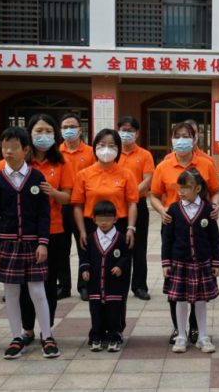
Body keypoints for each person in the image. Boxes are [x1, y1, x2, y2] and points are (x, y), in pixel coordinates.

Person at [0, 115, 74, 344]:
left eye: (48, 131)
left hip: (53, 231)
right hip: (21, 234)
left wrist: (52, 192)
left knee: (47, 283)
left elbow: (68, 198)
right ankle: (27, 329)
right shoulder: (9, 163)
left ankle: (46, 330)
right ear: (29, 135)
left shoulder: (61, 163)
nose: (43, 136)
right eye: (39, 131)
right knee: (21, 284)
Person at [0, 127, 59, 360]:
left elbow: (44, 214)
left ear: (25, 150)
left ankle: (47, 336)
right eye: (4, 146)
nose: (8, 151)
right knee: (11, 292)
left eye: (13, 147)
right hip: (6, 245)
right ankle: (17, 337)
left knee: (38, 290)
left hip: (33, 244)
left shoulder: (37, 177)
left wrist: (43, 243)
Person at [150, 122, 219, 344]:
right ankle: (178, 328)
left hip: (200, 224)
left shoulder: (206, 163)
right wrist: (163, 211)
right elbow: (154, 195)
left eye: (186, 135)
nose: (181, 140)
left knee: (198, 287)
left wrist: (215, 206)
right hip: (174, 225)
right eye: (177, 136)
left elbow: (215, 191)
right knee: (176, 282)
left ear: (195, 138)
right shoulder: (164, 165)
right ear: (171, 139)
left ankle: (195, 329)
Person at [70, 128, 140, 338]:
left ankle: (116, 328)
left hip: (119, 228)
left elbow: (132, 203)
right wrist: (82, 231)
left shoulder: (126, 174)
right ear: (94, 147)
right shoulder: (84, 174)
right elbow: (77, 205)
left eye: (111, 145)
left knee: (119, 278)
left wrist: (130, 228)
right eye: (101, 145)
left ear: (118, 149)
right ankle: (98, 328)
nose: (106, 149)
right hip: (92, 228)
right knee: (94, 279)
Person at [162, 169, 219, 353]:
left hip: (202, 263)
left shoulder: (208, 209)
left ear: (198, 188)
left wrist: (216, 262)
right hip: (179, 262)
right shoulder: (173, 209)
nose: (181, 190)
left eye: (186, 187)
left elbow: (214, 238)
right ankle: (181, 335)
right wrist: (166, 262)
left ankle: (202, 336)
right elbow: (167, 239)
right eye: (179, 186)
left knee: (201, 300)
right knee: (180, 300)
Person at [79, 201, 131, 353]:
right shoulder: (90, 239)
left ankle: (115, 336)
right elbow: (85, 256)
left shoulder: (121, 238)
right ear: (94, 220)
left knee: (114, 311)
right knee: (96, 311)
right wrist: (85, 269)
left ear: (115, 219)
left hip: (114, 285)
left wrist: (120, 266)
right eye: (100, 219)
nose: (104, 222)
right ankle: (97, 335)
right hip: (95, 284)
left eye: (108, 218)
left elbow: (127, 256)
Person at [117, 117, 155, 301]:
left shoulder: (145, 155)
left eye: (130, 130)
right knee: (117, 245)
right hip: (116, 205)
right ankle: (117, 283)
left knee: (139, 247)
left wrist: (129, 194)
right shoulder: (112, 153)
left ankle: (139, 286)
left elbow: (147, 180)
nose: (127, 133)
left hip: (138, 204)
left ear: (137, 133)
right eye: (123, 130)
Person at [59, 113, 95, 300]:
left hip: (83, 205)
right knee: (61, 247)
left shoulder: (91, 152)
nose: (69, 130)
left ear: (80, 130)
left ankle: (85, 285)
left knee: (84, 245)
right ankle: (64, 285)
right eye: (65, 127)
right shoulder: (56, 152)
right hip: (61, 205)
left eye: (72, 127)